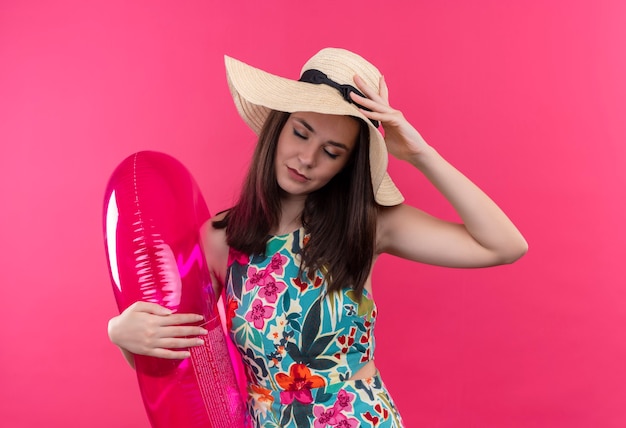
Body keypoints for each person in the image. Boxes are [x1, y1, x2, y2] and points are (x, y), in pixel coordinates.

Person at [108, 48, 528, 427]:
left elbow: (504, 245)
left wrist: (419, 153)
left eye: (331, 152)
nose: (306, 159)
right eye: (301, 133)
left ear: (347, 165)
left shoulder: (368, 224)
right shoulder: (221, 238)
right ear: (278, 126)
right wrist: (122, 335)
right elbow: (182, 358)